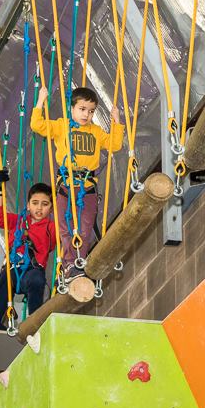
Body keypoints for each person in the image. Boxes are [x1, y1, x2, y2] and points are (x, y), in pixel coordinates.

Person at [30, 86, 124, 280]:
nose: (86, 115)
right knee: (65, 226)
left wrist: (117, 121)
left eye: (91, 111)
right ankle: (69, 264)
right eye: (82, 109)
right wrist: (40, 100)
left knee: (85, 226)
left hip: (87, 186)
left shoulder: (96, 132)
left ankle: (79, 261)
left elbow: (115, 144)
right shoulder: (61, 126)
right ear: (71, 109)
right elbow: (37, 125)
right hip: (65, 185)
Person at [0, 180, 56, 331]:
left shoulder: (52, 228)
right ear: (28, 205)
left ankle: (36, 326)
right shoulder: (18, 221)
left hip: (32, 271)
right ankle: (10, 338)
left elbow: (65, 232)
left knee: (36, 281)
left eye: (45, 204)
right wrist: (0, 190)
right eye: (35, 203)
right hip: (11, 271)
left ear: (51, 208)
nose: (39, 207)